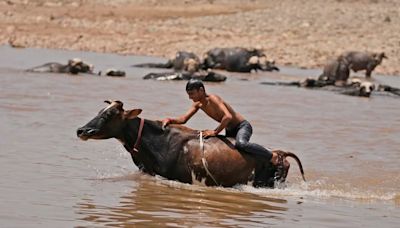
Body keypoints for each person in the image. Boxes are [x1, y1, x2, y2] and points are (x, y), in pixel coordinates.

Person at [161, 79, 279, 165]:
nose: (190, 97)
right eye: (188, 94)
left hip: (241, 126)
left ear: (201, 90)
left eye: (192, 94)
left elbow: (227, 116)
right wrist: (170, 120)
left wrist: (215, 132)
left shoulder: (213, 99)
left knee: (241, 144)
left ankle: (271, 155)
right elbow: (183, 119)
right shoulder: (198, 104)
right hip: (229, 129)